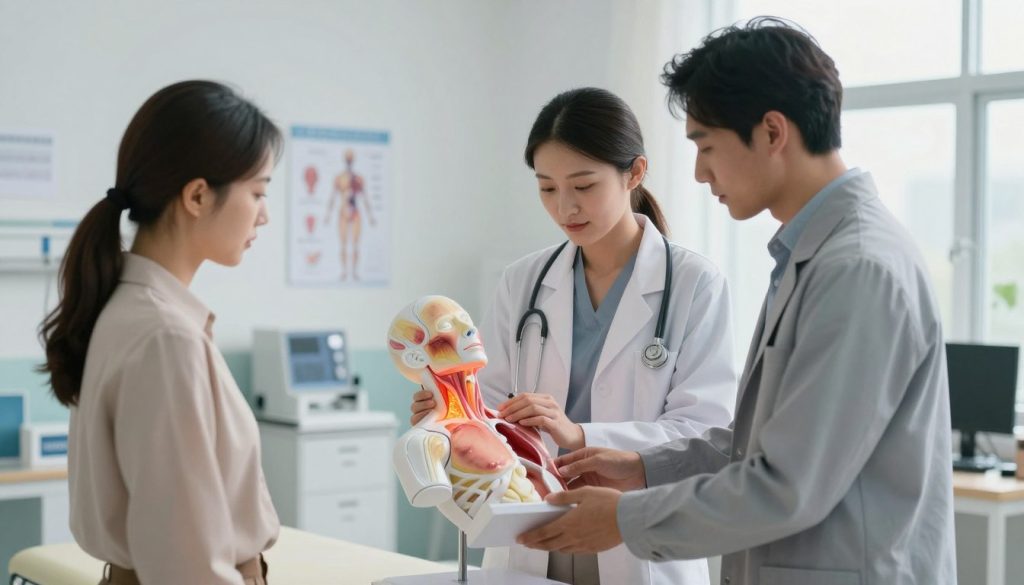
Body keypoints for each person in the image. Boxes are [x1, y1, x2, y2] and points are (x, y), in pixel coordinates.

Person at [517, 17, 957, 585]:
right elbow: (759, 443)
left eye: (706, 145)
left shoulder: (856, 269)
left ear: (772, 132)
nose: (699, 172)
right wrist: (644, 465)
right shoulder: (810, 257)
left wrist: (626, 519)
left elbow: (789, 485)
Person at [410, 87, 737, 585]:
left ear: (635, 173)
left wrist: (580, 435)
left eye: (584, 185)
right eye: (547, 188)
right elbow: (488, 406)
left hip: (633, 539)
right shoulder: (523, 282)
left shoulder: (695, 284)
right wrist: (451, 415)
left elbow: (703, 431)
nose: (566, 207)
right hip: (528, 530)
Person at [37, 80, 283, 585]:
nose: (264, 214)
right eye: (258, 192)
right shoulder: (166, 338)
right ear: (197, 195)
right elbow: (185, 567)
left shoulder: (130, 311)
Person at [323, 148, 376, 281]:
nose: (349, 161)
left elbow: (365, 197)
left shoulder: (358, 179)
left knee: (355, 244)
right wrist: (328, 215)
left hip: (355, 213)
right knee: (343, 244)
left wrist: (370, 216)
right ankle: (344, 272)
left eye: (351, 159)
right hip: (343, 212)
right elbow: (333, 197)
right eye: (348, 159)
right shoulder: (339, 178)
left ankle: (354, 272)